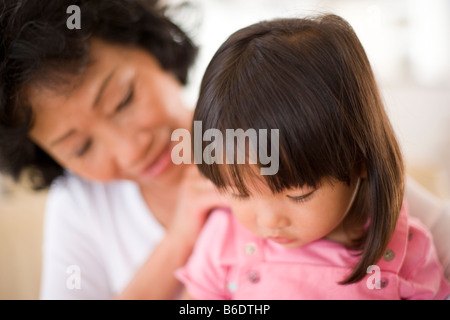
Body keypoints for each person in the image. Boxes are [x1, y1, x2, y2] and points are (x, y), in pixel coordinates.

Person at [176, 14, 450, 299]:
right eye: (240, 193)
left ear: (361, 160)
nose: (270, 221)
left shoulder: (408, 251)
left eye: (299, 195)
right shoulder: (225, 239)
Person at [0, 0, 227, 299]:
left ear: (154, 47)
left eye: (123, 100)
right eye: (81, 148)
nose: (130, 151)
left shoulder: (262, 132)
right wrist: (179, 242)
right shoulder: (80, 205)